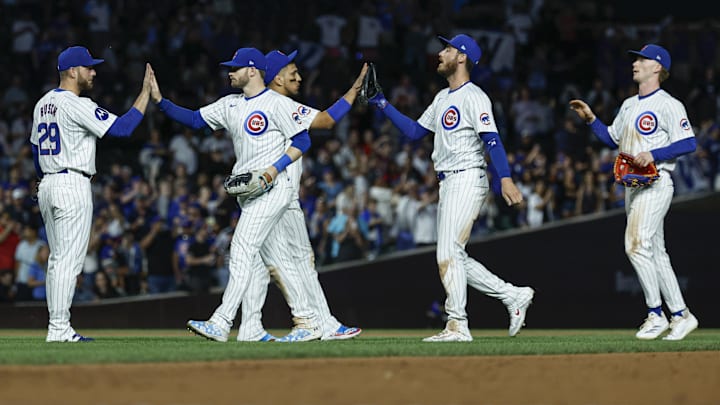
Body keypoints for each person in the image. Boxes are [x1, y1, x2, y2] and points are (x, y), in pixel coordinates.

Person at [366, 34, 535, 342]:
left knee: (447, 254)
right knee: (452, 254)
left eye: (447, 49)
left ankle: (457, 324)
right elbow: (415, 131)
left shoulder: (474, 96)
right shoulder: (443, 98)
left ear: (462, 57)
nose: (440, 53)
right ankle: (513, 295)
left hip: (468, 176)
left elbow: (492, 139)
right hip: (447, 181)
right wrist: (382, 103)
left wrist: (506, 178)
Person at [149, 48, 320, 342]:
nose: (230, 72)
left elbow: (303, 139)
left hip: (272, 189)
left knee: (240, 249)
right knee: (266, 262)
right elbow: (193, 120)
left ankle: (221, 321)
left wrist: (273, 169)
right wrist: (160, 101)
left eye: (235, 67)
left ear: (252, 70)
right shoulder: (230, 105)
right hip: (250, 194)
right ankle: (285, 323)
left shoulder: (275, 103)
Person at [570, 44, 699, 341]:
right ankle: (681, 315)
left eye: (642, 59)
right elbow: (612, 138)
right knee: (657, 253)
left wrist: (653, 153)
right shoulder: (629, 105)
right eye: (635, 59)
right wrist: (591, 119)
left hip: (657, 182)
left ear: (658, 67)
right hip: (634, 186)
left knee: (635, 245)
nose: (635, 63)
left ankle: (656, 314)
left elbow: (688, 143)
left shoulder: (669, 104)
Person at [235, 50, 365, 342]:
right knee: (281, 265)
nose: (299, 76)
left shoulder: (276, 104)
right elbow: (328, 120)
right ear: (277, 77)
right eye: (293, 70)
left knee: (294, 264)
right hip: (273, 198)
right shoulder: (277, 104)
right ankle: (305, 323)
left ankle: (319, 323)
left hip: (284, 199)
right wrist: (354, 90)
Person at [30, 45, 153, 342]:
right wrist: (146, 91)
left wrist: (44, 177)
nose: (94, 71)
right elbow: (123, 129)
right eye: (89, 67)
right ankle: (59, 328)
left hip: (49, 182)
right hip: (71, 183)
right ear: (73, 71)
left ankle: (57, 326)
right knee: (68, 261)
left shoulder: (42, 104)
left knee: (58, 260)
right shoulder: (76, 103)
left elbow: (35, 150)